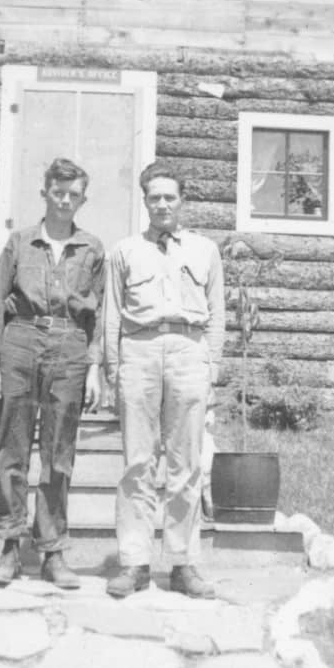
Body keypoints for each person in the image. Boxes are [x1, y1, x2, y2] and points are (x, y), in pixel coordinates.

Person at [0, 158, 105, 590]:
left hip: (69, 346)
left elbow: (99, 315)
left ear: (84, 198)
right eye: (57, 192)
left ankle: (51, 552)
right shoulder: (19, 242)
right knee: (12, 449)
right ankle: (10, 548)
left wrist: (93, 368)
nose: (65, 200)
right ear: (44, 193)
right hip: (20, 340)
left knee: (58, 454)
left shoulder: (92, 248)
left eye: (73, 194)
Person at [102, 161, 225, 599]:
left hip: (189, 351)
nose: (162, 204)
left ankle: (182, 563)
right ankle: (134, 563)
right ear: (145, 201)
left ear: (182, 200)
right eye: (154, 197)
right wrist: (113, 367)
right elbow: (112, 314)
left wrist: (211, 367)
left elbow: (216, 313)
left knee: (186, 464)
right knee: (138, 462)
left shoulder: (205, 250)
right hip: (139, 351)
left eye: (170, 196)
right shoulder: (124, 251)